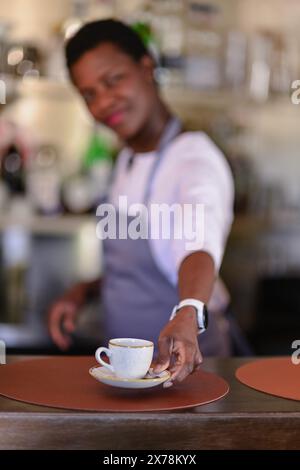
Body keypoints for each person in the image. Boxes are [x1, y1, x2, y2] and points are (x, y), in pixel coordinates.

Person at [48, 19, 234, 387]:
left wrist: (188, 312)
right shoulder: (127, 159)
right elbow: (140, 267)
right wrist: (86, 291)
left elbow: (198, 246)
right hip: (128, 376)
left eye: (113, 80)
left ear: (147, 67)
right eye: (88, 94)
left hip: (184, 372)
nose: (102, 102)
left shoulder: (193, 159)